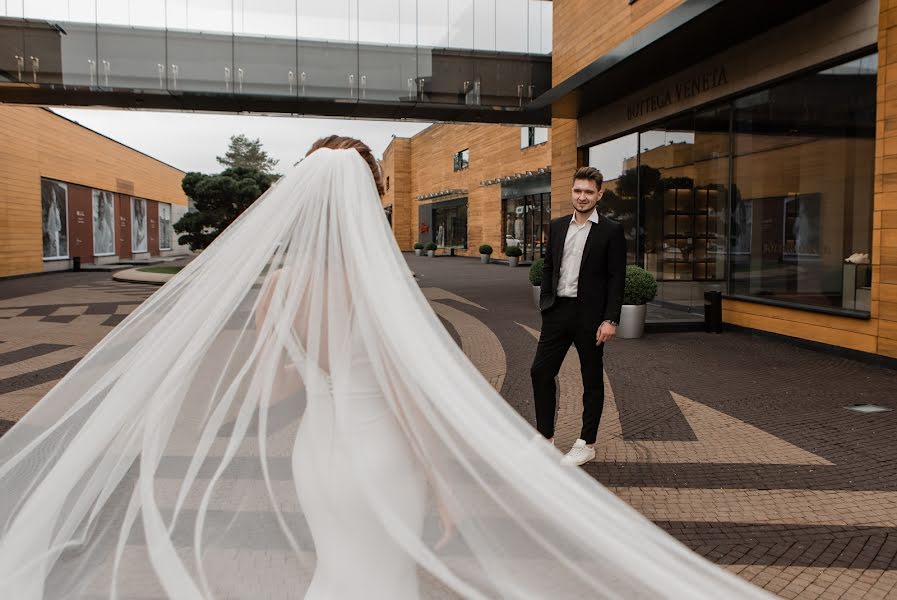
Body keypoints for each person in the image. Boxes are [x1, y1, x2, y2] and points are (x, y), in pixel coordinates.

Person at [0, 138, 771, 599]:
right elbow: (403, 394)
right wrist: (439, 480)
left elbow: (279, 384)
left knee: (335, 575)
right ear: (366, 198)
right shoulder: (372, 284)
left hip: (316, 456)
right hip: (376, 454)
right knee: (382, 583)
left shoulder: (276, 289)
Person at [531, 166, 626, 466]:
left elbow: (616, 277)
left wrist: (610, 319)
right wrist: (546, 301)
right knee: (540, 372)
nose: (582, 197)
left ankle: (587, 443)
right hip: (558, 312)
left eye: (588, 192)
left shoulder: (611, 231)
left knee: (591, 380)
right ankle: (545, 439)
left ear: (599, 194)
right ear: (571, 192)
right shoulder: (558, 227)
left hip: (591, 317)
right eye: (577, 190)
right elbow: (548, 267)